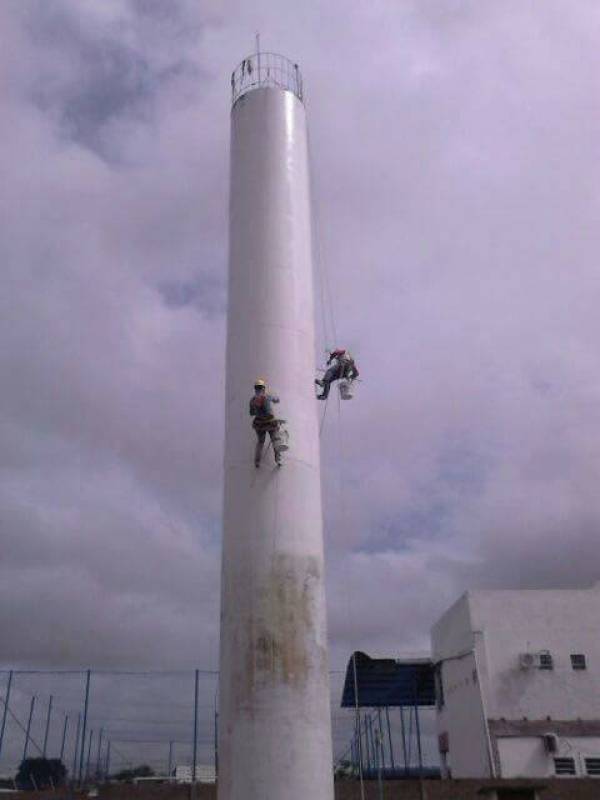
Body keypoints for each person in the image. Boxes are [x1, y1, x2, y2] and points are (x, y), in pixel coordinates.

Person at [249, 379, 282, 467]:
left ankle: (257, 462)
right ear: (263, 388)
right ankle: (278, 459)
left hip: (259, 424)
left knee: (260, 442)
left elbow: (251, 413)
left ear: (255, 389)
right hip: (270, 423)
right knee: (275, 440)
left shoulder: (252, 400)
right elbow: (277, 400)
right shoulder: (267, 396)